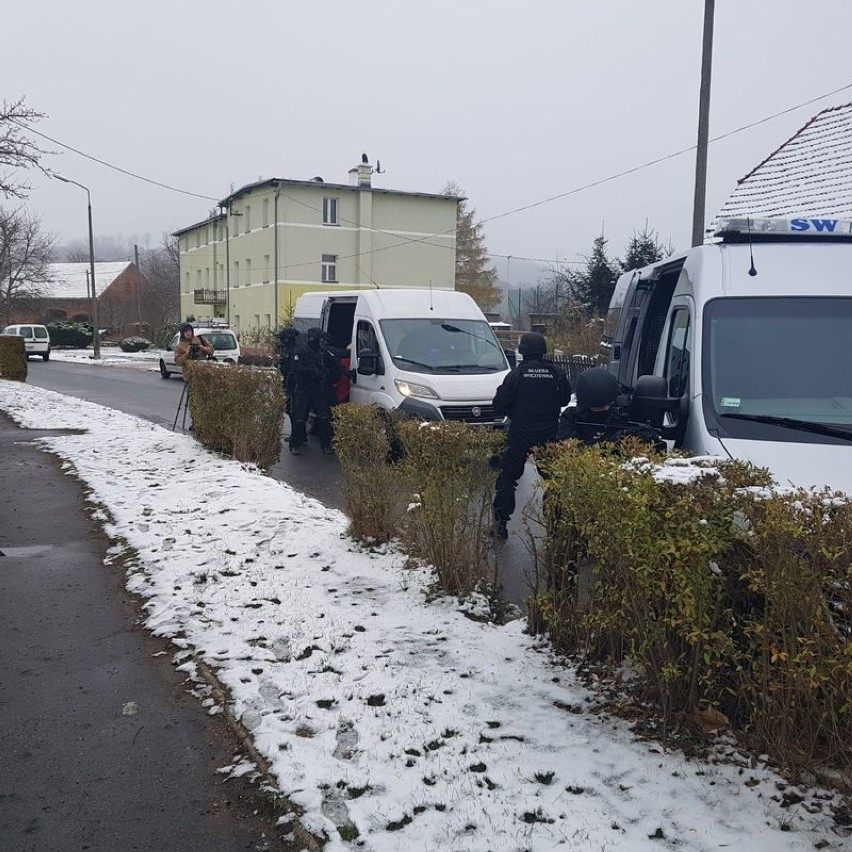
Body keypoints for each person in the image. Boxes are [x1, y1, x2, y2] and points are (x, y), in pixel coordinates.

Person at [491, 332, 572, 539]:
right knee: (554, 480)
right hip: (549, 434)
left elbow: (498, 405)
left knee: (507, 479)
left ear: (523, 351)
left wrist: (515, 411)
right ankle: (556, 523)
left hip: (520, 434)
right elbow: (564, 400)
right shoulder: (556, 372)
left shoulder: (517, 375)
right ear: (543, 350)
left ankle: (500, 525)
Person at [557, 367, 665, 449]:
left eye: (610, 403)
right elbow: (570, 451)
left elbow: (659, 449)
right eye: (600, 407)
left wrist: (641, 438)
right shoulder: (571, 417)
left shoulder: (626, 413)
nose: (606, 408)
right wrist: (610, 442)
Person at [288, 326, 336, 456]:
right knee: (299, 418)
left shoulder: (322, 352)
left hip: (318, 389)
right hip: (303, 388)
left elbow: (335, 363)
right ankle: (294, 444)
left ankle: (325, 445)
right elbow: (296, 368)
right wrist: (312, 372)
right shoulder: (301, 351)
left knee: (324, 417)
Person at [277, 327, 300, 415]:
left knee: (293, 408)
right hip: (288, 380)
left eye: (284, 340)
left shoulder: (296, 350)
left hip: (295, 381)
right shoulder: (286, 350)